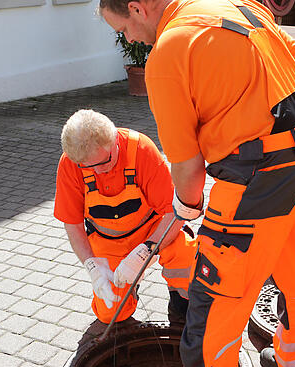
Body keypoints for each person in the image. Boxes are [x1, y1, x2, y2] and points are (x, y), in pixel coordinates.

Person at [100, 0, 295, 367]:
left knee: (214, 302)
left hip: (257, 178)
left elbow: (187, 171)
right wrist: (246, 107)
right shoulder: (236, 5)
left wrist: (185, 210)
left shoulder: (167, 53)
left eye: (121, 25)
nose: (128, 37)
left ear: (138, 8)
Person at [53, 109, 197, 325]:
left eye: (104, 162)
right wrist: (92, 265)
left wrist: (147, 249)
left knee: (186, 257)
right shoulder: (71, 163)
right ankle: (129, 290)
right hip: (108, 242)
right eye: (89, 167)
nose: (98, 171)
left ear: (115, 142)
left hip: (155, 231)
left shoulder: (140, 149)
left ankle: (181, 307)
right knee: (110, 311)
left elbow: (174, 212)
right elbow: (72, 223)